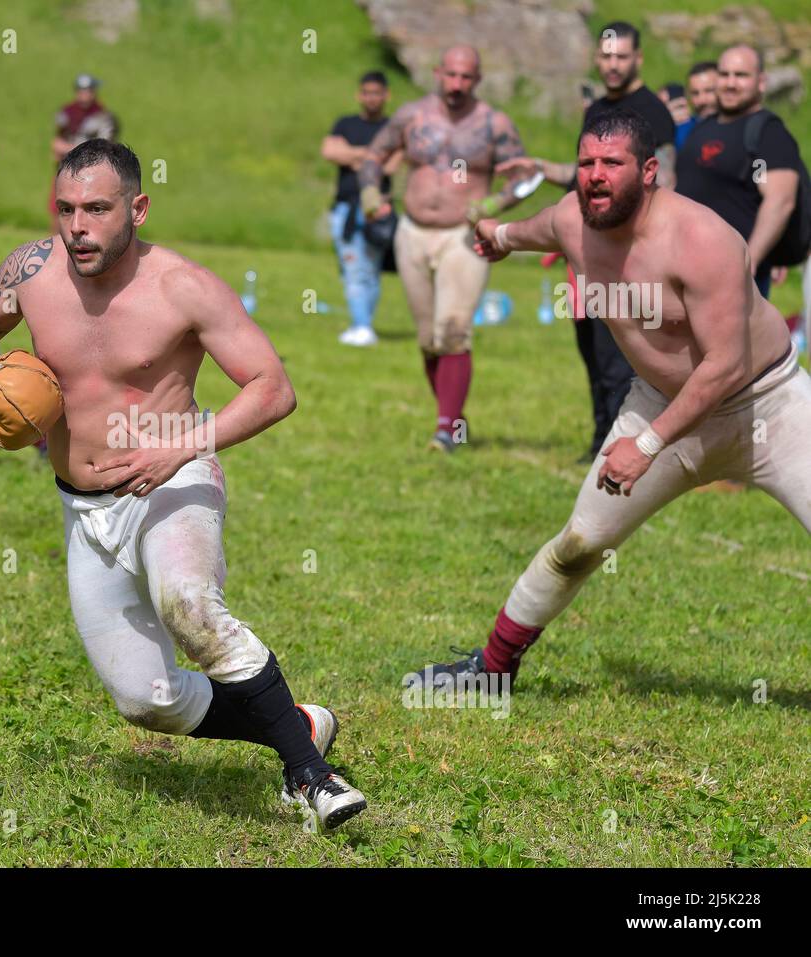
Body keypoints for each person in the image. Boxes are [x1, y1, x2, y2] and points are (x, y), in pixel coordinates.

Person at [0, 140, 367, 829]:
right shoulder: (31, 269)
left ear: (136, 208)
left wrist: (181, 449)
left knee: (189, 604)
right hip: (84, 509)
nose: (77, 226)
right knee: (145, 698)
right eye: (66, 208)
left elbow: (273, 388)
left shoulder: (183, 286)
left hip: (173, 480)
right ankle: (299, 725)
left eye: (97, 209)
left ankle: (311, 778)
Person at [406, 109, 808, 690]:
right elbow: (534, 227)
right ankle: (490, 672)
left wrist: (645, 444)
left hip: (769, 406)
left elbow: (725, 366)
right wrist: (499, 238)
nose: (595, 175)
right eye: (586, 162)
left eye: (611, 163)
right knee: (579, 543)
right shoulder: (575, 218)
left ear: (648, 171)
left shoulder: (703, 239)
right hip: (661, 402)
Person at [500, 21, 678, 462]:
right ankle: (600, 438)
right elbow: (590, 173)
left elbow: (666, 182)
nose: (613, 64)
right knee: (592, 351)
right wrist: (542, 167)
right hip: (586, 251)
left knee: (619, 354)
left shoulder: (652, 112)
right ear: (597, 59)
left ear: (637, 59)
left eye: (622, 57)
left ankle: (620, 448)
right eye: (606, 56)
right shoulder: (596, 107)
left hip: (627, 255)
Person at [358, 45, 529, 452]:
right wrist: (369, 190)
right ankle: (453, 418)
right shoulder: (412, 115)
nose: (457, 84)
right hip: (412, 231)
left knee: (454, 331)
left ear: (478, 79)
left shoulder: (494, 124)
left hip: (463, 236)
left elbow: (524, 177)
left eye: (466, 77)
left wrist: (495, 204)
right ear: (437, 72)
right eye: (450, 75)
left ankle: (444, 430)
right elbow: (374, 154)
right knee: (427, 339)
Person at [677, 45, 804, 302]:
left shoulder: (766, 133)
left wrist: (751, 260)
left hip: (735, 278)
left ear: (761, 82)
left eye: (741, 75)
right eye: (724, 75)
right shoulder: (703, 128)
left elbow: (779, 201)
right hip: (685, 268)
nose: (730, 83)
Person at [321, 71, 401, 347]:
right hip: (345, 209)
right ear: (359, 94)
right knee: (352, 267)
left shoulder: (393, 128)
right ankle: (362, 325)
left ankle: (363, 326)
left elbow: (391, 165)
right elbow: (330, 151)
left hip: (377, 209)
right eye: (366, 92)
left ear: (386, 95)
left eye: (377, 92)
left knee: (370, 269)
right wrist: (372, 156)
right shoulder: (345, 123)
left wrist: (352, 155)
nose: (371, 97)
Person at [49, 74, 119, 233]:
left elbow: (102, 147)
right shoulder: (68, 112)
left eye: (88, 91)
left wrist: (67, 148)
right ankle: (55, 249)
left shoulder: (103, 117)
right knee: (58, 209)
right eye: (81, 91)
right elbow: (58, 139)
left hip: (90, 173)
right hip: (65, 169)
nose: (84, 95)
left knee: (87, 212)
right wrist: (57, 147)